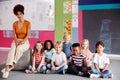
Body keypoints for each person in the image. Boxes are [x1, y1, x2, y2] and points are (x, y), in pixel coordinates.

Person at [1, 4, 31, 78]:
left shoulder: (28, 23)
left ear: (23, 13)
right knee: (13, 49)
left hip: (25, 41)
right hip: (16, 40)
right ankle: (7, 69)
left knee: (19, 48)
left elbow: (27, 35)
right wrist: (16, 41)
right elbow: (14, 35)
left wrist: (22, 42)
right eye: (17, 14)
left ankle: (8, 68)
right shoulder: (14, 24)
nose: (19, 16)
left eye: (20, 14)